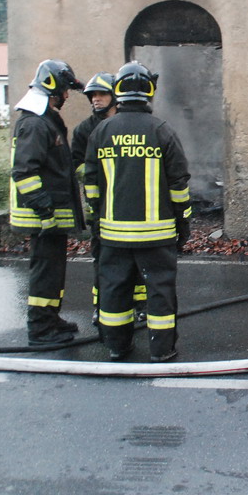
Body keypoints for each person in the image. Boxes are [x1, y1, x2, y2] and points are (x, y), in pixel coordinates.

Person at [83, 61, 192, 362]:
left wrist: (96, 218)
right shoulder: (162, 131)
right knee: (159, 292)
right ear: (149, 91)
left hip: (113, 234)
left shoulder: (102, 131)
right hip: (157, 235)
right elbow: (179, 184)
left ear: (117, 90)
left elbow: (91, 182)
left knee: (114, 290)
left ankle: (117, 347)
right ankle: (162, 350)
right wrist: (183, 223)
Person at [10, 59, 85, 346]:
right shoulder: (34, 124)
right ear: (52, 88)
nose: (66, 95)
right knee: (45, 273)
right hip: (43, 218)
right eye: (64, 90)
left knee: (53, 272)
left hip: (50, 217)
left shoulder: (44, 120)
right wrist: (44, 210)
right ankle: (41, 329)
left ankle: (51, 319)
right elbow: (24, 172)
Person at [70, 72, 148, 326]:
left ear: (115, 96)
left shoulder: (133, 124)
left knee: (137, 255)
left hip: (130, 202)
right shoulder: (84, 130)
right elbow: (78, 166)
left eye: (102, 94)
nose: (96, 99)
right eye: (92, 95)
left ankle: (140, 304)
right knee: (102, 258)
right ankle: (101, 306)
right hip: (101, 206)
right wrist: (100, 178)